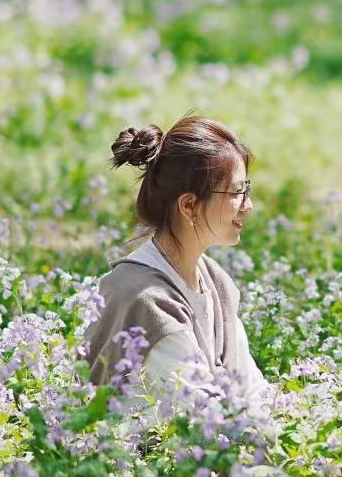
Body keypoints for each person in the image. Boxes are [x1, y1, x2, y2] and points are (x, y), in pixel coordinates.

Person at [83, 115, 269, 400]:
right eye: (236, 192)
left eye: (247, 189)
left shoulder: (214, 281)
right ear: (190, 205)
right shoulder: (146, 299)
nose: (249, 206)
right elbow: (202, 413)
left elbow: (253, 388)